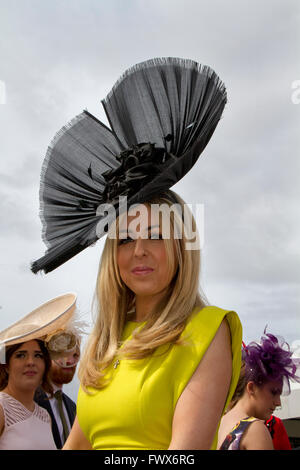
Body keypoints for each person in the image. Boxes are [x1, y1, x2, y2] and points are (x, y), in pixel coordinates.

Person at [31, 58, 243, 450]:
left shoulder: (208, 331)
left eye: (156, 235)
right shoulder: (104, 343)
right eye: (125, 239)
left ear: (182, 246)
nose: (139, 250)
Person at [0, 292, 79, 450]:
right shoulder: (2, 408)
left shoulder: (44, 416)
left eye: (38, 355)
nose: (30, 362)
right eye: (20, 355)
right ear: (7, 365)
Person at [217, 331, 300, 450]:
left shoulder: (220, 423)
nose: (278, 402)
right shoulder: (254, 430)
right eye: (273, 392)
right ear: (251, 388)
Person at [35, 345, 79, 449]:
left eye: (75, 355)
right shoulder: (28, 401)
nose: (69, 361)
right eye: (62, 354)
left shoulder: (73, 407)